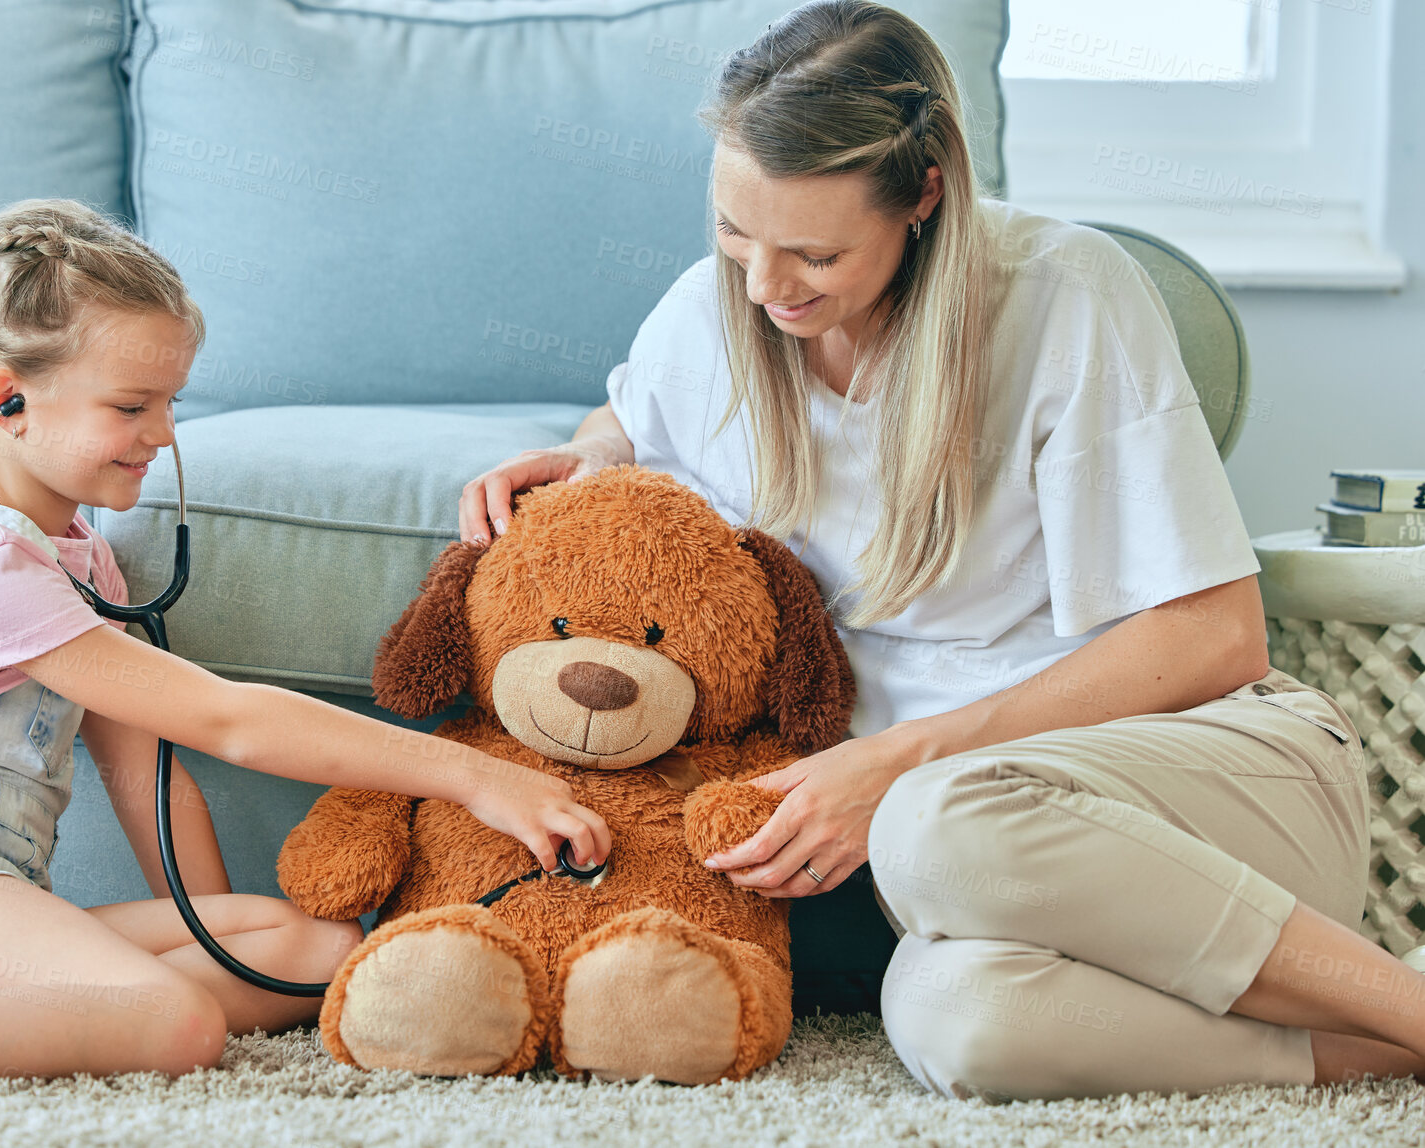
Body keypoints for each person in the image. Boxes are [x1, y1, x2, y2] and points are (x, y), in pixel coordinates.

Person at [461, 0, 1425, 1103]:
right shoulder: (716, 315)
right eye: (735, 231)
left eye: (815, 251)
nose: (767, 283)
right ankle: (1386, 1047)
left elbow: (1214, 633)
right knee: (956, 1020)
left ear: (923, 195)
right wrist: (586, 458)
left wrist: (899, 760)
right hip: (983, 882)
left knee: (933, 819)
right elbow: (634, 423)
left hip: (1202, 787)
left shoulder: (1064, 296)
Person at [0, 199, 610, 1117]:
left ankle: (54, 1016)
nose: (162, 433)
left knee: (314, 953)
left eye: (169, 403)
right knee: (173, 1020)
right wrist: (474, 776)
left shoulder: (82, 559)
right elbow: (228, 721)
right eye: (131, 406)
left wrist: (209, 933)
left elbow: (151, 778)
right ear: (5, 400)